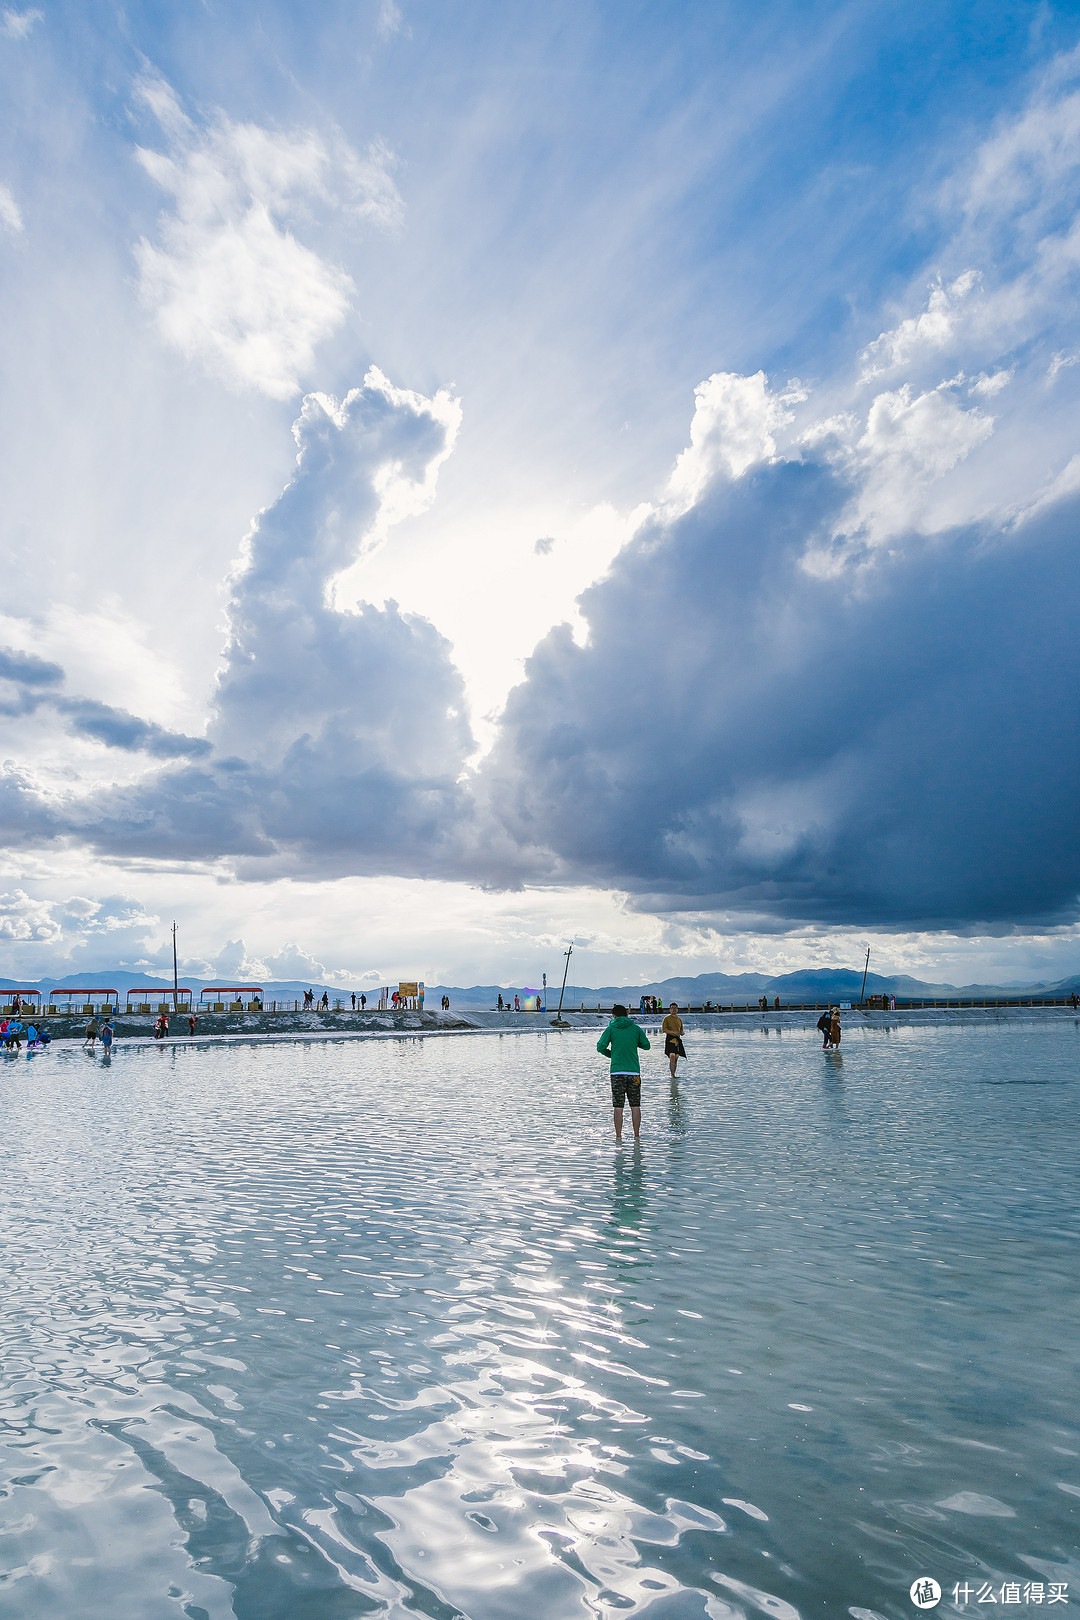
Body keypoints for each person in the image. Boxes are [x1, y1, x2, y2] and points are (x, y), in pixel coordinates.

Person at [597, 1004, 651, 1141]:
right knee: (635, 1105)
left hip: (617, 1072)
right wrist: (632, 1043)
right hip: (633, 1073)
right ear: (627, 1015)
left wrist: (613, 1054)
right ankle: (637, 1136)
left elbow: (600, 1047)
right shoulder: (635, 1028)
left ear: (613, 1016)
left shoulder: (611, 1028)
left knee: (618, 1106)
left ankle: (618, 1136)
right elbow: (646, 1045)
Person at [661, 1002, 685, 1078]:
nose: (674, 1010)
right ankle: (672, 1074)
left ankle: (674, 1073)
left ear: (677, 1010)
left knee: (676, 1057)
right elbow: (664, 1029)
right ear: (669, 1010)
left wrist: (681, 1033)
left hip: (677, 1040)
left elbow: (681, 1030)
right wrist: (674, 1032)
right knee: (672, 1056)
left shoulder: (679, 1020)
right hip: (670, 1039)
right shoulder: (666, 1019)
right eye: (672, 1008)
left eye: (675, 1008)